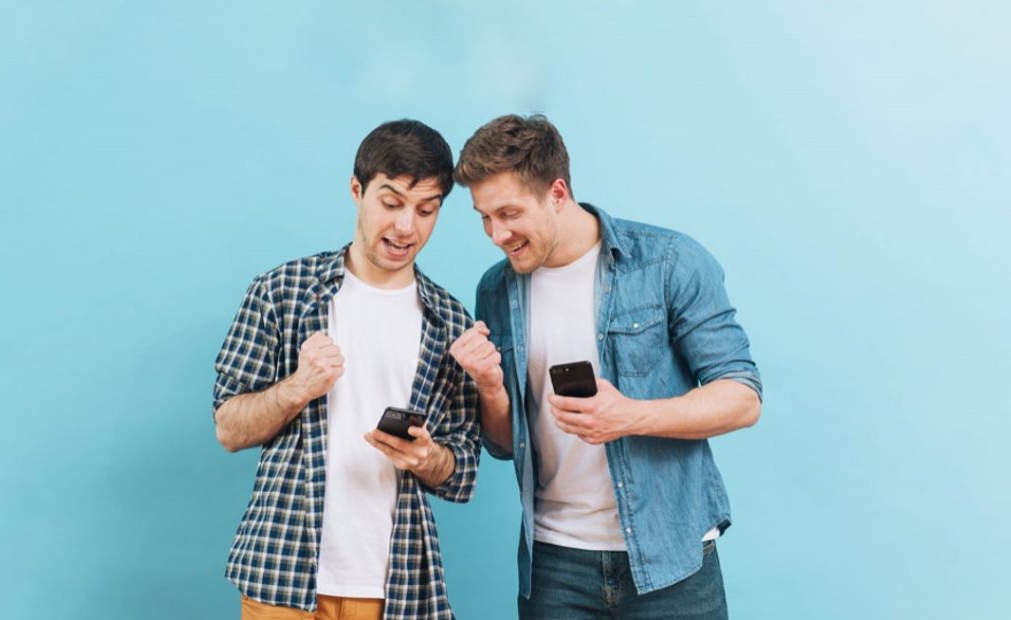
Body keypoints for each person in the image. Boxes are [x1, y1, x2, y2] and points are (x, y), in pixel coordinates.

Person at [449, 114, 762, 619]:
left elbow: (743, 396)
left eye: (508, 213)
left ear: (557, 193)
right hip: (555, 566)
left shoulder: (669, 263)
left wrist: (631, 416)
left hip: (672, 560)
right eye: (484, 217)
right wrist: (490, 388)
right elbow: (505, 445)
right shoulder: (496, 289)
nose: (496, 234)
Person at [213, 119, 480, 620]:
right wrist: (297, 388)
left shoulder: (450, 322)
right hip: (282, 576)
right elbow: (228, 427)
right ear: (357, 191)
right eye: (392, 202)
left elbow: (462, 473)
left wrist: (426, 457)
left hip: (397, 586)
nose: (407, 227)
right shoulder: (282, 292)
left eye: (426, 210)